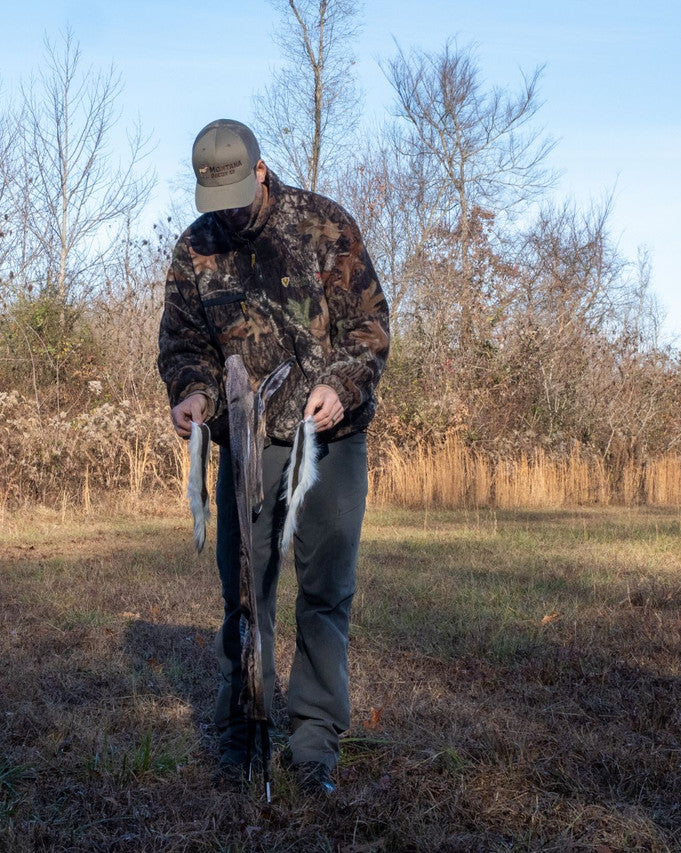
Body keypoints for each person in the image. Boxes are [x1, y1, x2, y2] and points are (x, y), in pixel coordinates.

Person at [157, 119, 389, 796]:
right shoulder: (195, 249)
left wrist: (339, 386)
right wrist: (193, 394)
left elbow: (370, 329)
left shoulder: (325, 227)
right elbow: (182, 343)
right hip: (249, 448)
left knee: (325, 595)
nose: (226, 208)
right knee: (244, 595)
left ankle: (314, 743)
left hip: (329, 445)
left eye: (236, 188)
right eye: (213, 195)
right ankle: (244, 732)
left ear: (260, 171)